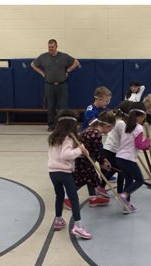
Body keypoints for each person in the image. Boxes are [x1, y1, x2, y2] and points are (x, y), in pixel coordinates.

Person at [47, 110, 92, 239]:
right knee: (73, 198)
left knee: (59, 195)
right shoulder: (68, 138)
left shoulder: (54, 137)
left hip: (53, 172)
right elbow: (65, 155)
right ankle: (78, 225)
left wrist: (80, 148)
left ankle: (58, 220)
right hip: (64, 172)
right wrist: (79, 150)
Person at [65, 111, 116, 210]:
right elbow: (96, 152)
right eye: (110, 129)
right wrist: (102, 162)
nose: (110, 132)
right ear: (106, 126)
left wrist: (103, 159)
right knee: (82, 181)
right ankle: (66, 197)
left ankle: (93, 198)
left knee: (92, 178)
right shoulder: (96, 135)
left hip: (84, 160)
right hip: (83, 161)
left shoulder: (92, 129)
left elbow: (95, 150)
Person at [31, 39, 80, 131]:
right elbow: (33, 64)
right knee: (50, 106)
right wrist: (42, 73)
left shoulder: (64, 56)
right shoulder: (43, 57)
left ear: (56, 46)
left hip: (62, 85)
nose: (50, 49)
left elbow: (76, 62)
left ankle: (63, 126)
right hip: (49, 85)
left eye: (52, 47)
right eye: (49, 47)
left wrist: (68, 70)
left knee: (63, 106)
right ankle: (51, 125)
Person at [116, 104, 151, 214]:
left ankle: (126, 206)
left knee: (129, 180)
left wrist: (145, 143)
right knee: (140, 180)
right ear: (140, 116)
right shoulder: (139, 128)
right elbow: (139, 145)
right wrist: (148, 143)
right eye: (143, 117)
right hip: (128, 159)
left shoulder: (127, 126)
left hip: (120, 157)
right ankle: (124, 194)